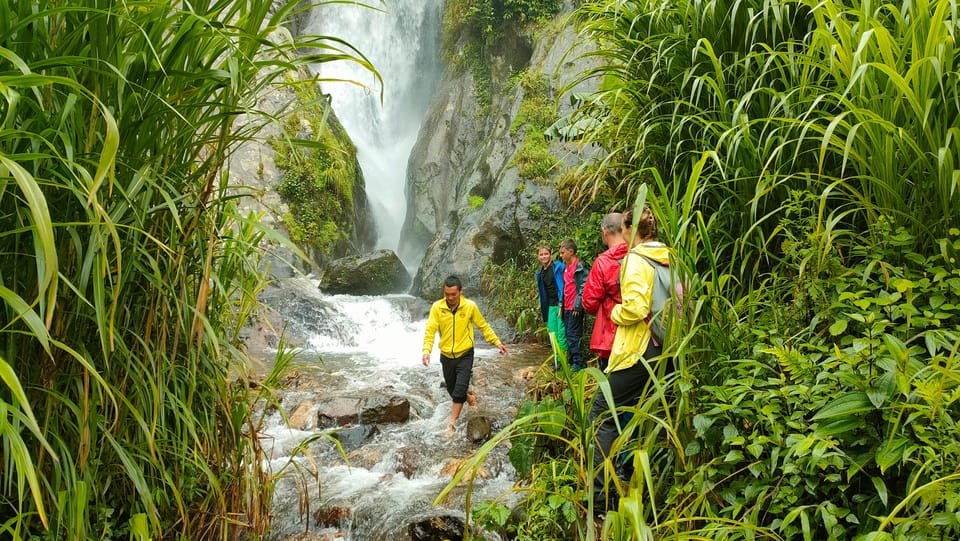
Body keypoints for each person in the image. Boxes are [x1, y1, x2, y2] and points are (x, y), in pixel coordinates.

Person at [588, 206, 670, 514]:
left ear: (627, 230)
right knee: (645, 415)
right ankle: (645, 488)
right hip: (666, 346)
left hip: (640, 348)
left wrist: (614, 313)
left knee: (601, 415)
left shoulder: (636, 258)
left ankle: (600, 499)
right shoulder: (667, 255)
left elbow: (634, 307)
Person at [422, 275, 508, 431]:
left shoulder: (470, 306)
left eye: (453, 294)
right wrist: (426, 351)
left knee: (459, 388)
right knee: (451, 388)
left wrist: (497, 342)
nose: (450, 297)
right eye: (447, 294)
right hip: (447, 355)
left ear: (460, 292)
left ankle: (452, 424)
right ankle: (470, 399)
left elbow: (483, 326)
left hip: (465, 354)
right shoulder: (437, 307)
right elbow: (430, 330)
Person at [581, 213, 628, 372]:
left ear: (604, 232)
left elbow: (589, 303)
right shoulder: (639, 254)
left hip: (612, 336)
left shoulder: (603, 262)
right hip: (643, 336)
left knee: (610, 390)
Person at [558, 239, 590, 371]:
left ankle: (579, 362)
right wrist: (561, 305)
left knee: (573, 334)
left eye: (562, 252)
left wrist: (578, 305)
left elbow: (584, 286)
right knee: (567, 333)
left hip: (575, 307)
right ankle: (572, 360)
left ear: (571, 252)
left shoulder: (580, 266)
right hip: (566, 306)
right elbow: (565, 288)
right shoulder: (566, 268)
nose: (561, 255)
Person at [535, 245, 567, 356]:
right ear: (538, 257)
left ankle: (564, 362)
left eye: (546, 254)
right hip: (550, 306)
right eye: (541, 254)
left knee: (561, 333)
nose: (544, 256)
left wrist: (562, 304)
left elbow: (565, 286)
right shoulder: (540, 273)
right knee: (552, 333)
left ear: (550, 254)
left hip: (561, 304)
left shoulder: (559, 267)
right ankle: (557, 360)